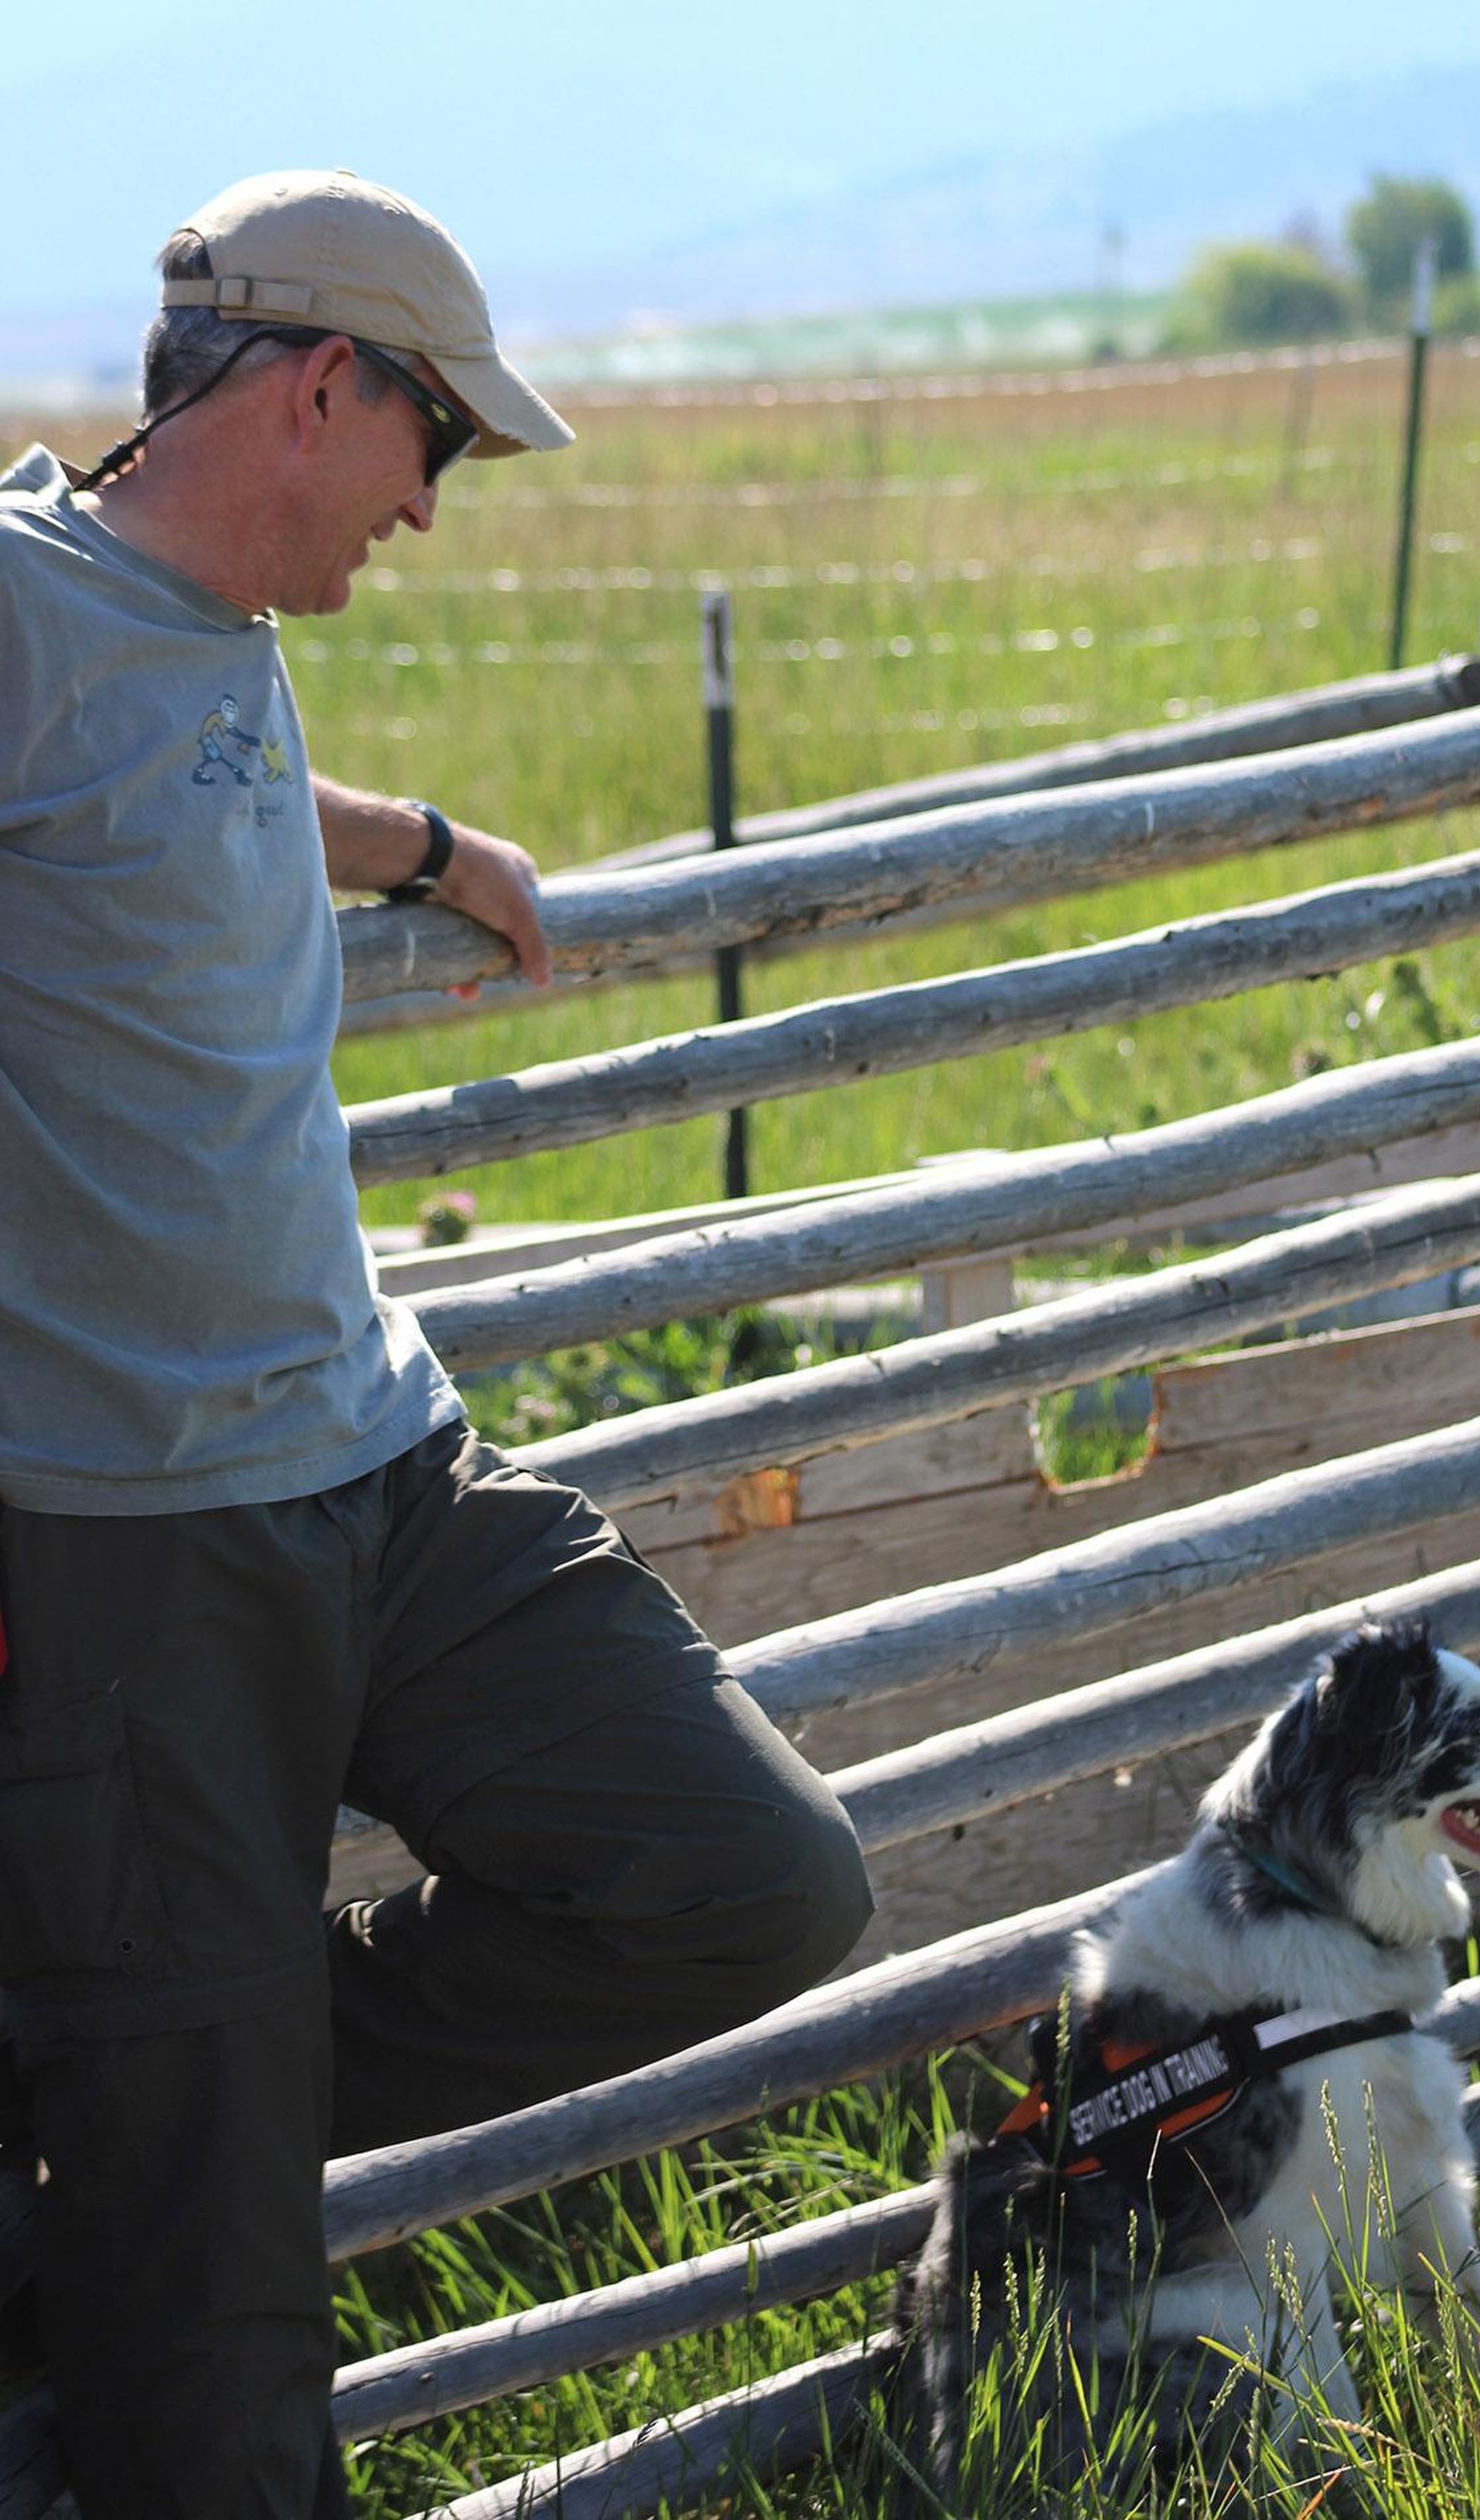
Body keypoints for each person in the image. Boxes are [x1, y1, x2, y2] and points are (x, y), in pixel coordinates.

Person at [0, 168, 872, 2519]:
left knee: (753, 1878)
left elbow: (171, 803)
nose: (434, 506)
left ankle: (162, 2085)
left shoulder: (195, 628)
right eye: (436, 450)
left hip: (383, 1474)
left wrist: (426, 848)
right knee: (208, 2373)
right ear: (315, 388)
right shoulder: (9, 607)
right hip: (135, 1557)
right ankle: (154, 2114)